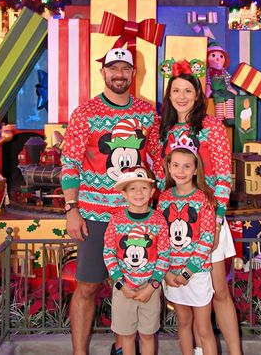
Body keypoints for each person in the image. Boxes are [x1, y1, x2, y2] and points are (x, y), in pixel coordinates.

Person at [61, 48, 159, 355]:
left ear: (133, 74)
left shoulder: (147, 112)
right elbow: (70, 163)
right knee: (88, 285)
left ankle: (122, 347)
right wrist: (71, 209)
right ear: (103, 72)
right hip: (95, 213)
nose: (119, 74)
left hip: (136, 215)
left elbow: (156, 158)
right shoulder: (85, 112)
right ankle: (80, 352)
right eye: (113, 68)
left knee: (133, 282)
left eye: (125, 69)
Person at [153, 59, 242, 355]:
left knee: (219, 289)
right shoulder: (163, 130)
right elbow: (159, 174)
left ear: (197, 95)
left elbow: (222, 175)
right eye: (175, 90)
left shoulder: (211, 126)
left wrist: (216, 222)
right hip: (175, 220)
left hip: (208, 218)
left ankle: (235, 351)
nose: (181, 96)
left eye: (187, 91)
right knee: (185, 304)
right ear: (168, 96)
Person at [157, 141, 217, 355]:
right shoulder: (163, 199)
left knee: (203, 327)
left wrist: (188, 271)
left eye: (186, 166)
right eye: (176, 165)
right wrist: (166, 272)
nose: (180, 171)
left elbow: (207, 239)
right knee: (183, 324)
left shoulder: (205, 199)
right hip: (172, 273)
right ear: (168, 167)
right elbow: (160, 240)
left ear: (195, 169)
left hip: (196, 273)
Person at [103, 166, 170, 355]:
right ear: (124, 193)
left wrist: (152, 285)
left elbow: (164, 255)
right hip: (123, 289)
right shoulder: (116, 221)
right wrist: (121, 284)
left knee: (148, 335)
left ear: (152, 192)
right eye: (132, 188)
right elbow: (109, 253)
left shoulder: (158, 221)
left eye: (144, 188)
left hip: (151, 288)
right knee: (127, 337)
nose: (138, 193)